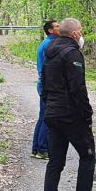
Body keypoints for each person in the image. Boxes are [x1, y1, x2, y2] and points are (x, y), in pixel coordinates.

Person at [41, 18, 96, 191]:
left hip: (51, 113)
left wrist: (47, 108)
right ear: (75, 34)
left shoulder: (49, 51)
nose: (82, 34)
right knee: (87, 157)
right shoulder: (72, 53)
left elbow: (44, 83)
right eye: (81, 30)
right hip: (71, 115)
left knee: (55, 162)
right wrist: (87, 113)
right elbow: (78, 88)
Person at [31, 20, 59, 159]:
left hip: (44, 83)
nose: (60, 28)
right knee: (47, 117)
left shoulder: (48, 43)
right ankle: (42, 149)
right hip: (47, 85)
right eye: (57, 26)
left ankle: (36, 148)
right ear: (50, 30)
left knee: (43, 116)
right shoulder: (50, 44)